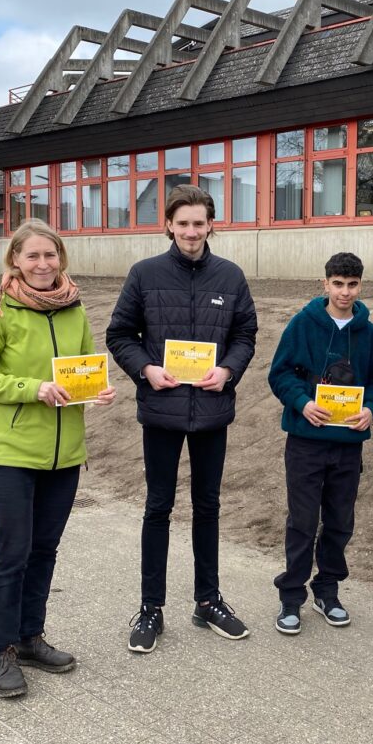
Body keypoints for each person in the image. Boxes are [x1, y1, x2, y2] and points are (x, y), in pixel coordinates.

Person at [0, 219, 117, 698]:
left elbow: (86, 365)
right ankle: (3, 650)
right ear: (15, 261)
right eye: (32, 256)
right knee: (12, 553)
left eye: (50, 256)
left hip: (64, 456)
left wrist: (97, 391)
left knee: (44, 551)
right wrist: (34, 389)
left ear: (61, 259)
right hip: (10, 453)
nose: (43, 264)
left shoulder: (75, 309)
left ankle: (31, 638)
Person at [106, 184, 258, 654]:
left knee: (208, 507)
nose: (192, 232)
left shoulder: (230, 277)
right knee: (158, 508)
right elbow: (120, 333)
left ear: (212, 225)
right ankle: (151, 608)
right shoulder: (145, 274)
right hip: (162, 413)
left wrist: (229, 370)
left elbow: (246, 332)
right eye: (183, 223)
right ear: (169, 225)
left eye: (200, 223)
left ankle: (207, 601)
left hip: (212, 412)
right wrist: (146, 370)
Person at [266, 252, 373, 635]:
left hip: (348, 444)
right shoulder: (303, 324)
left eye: (352, 285)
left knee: (339, 521)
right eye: (338, 284)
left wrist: (370, 408)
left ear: (360, 285)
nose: (345, 292)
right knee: (302, 521)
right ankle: (291, 598)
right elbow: (279, 374)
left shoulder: (367, 332)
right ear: (325, 284)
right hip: (306, 442)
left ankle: (327, 590)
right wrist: (302, 404)